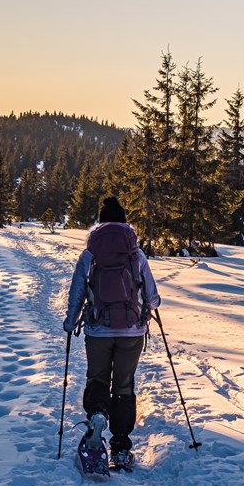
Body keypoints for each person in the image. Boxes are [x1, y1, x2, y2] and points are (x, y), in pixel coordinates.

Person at [63, 196, 161, 469]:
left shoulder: (90, 254)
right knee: (123, 386)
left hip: (98, 330)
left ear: (101, 222)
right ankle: (120, 445)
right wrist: (150, 307)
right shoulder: (136, 253)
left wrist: (71, 322)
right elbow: (152, 297)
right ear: (124, 222)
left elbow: (77, 292)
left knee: (97, 379)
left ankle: (96, 416)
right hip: (132, 331)